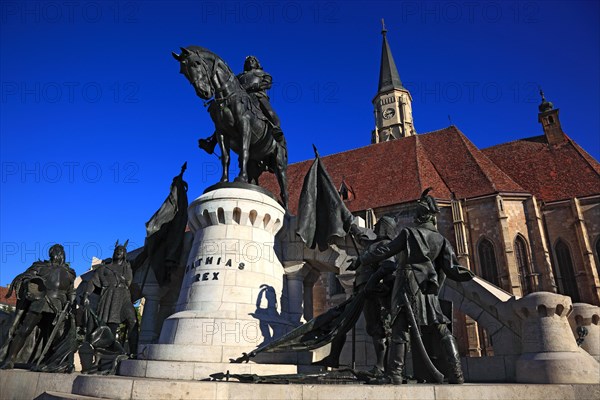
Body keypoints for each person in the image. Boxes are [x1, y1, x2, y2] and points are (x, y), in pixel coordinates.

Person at [349, 189, 473, 384]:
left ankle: (395, 374)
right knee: (441, 328)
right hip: (427, 287)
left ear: (419, 216)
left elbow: (385, 250)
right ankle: (457, 374)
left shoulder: (409, 234)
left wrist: (361, 259)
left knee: (400, 327)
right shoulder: (441, 240)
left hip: (407, 285)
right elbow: (451, 268)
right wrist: (465, 276)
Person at [0, 244, 76, 371]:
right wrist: (31, 284)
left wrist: (72, 303)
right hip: (41, 301)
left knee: (55, 336)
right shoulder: (40, 267)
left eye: (61, 252)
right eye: (57, 252)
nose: (59, 254)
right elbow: (25, 278)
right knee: (24, 330)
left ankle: (49, 362)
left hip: (59, 307)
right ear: (51, 253)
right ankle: (10, 359)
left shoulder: (69, 273)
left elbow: (70, 291)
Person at [198, 55, 286, 153]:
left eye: (253, 60)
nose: (250, 61)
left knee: (268, 110)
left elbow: (267, 84)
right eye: (248, 61)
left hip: (257, 96)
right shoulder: (239, 76)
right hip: (240, 99)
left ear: (257, 64)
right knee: (226, 117)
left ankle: (275, 128)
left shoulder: (263, 74)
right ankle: (212, 143)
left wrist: (254, 86)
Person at [350, 216, 397, 377]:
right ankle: (382, 366)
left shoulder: (386, 245)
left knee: (379, 328)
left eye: (378, 224)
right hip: (365, 290)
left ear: (385, 228)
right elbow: (362, 239)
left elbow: (389, 266)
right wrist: (353, 227)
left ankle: (382, 366)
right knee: (373, 327)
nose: (375, 226)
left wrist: (378, 284)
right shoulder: (373, 244)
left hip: (375, 291)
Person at [83, 241, 139, 357]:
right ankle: (107, 356)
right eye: (117, 250)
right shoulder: (105, 268)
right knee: (110, 327)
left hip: (124, 296)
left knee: (133, 320)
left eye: (122, 250)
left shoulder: (127, 267)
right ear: (114, 252)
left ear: (124, 254)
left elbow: (129, 280)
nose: (119, 252)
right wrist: (86, 295)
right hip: (109, 297)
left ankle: (134, 352)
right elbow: (93, 282)